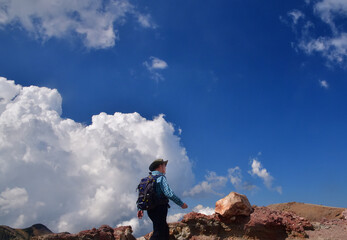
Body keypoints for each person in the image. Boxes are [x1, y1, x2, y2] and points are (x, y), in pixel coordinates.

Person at [137, 158, 188, 240]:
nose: (165, 167)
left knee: (164, 230)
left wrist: (140, 208)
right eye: (165, 165)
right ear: (160, 166)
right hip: (160, 208)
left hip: (150, 209)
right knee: (158, 233)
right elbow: (168, 193)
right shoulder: (161, 178)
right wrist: (181, 204)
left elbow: (142, 195)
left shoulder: (146, 180)